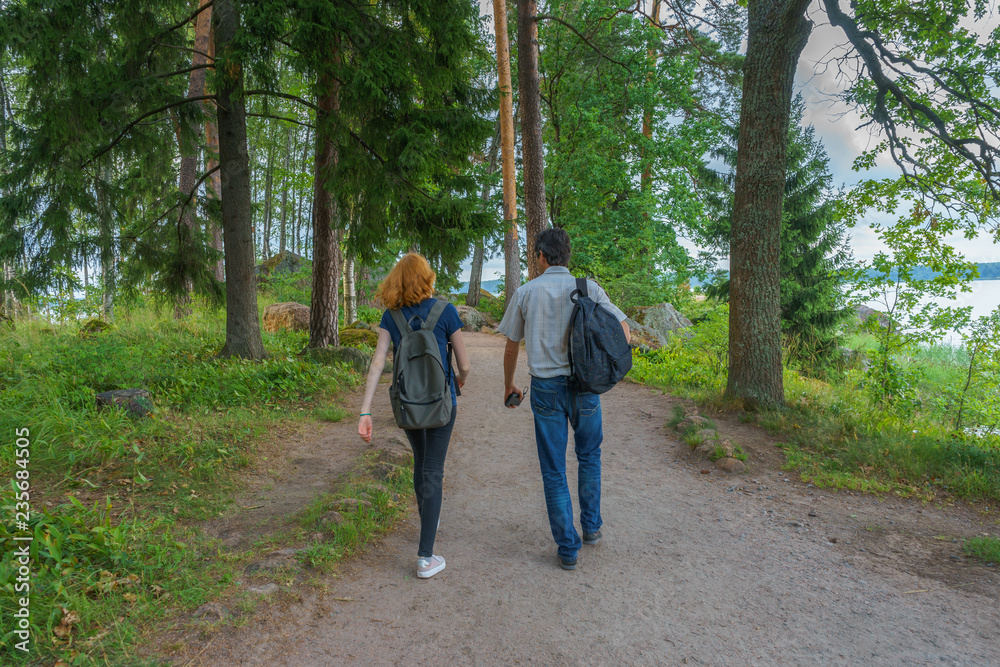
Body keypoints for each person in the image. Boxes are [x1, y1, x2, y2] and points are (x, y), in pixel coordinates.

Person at [496, 228, 630, 571]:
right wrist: (607, 368)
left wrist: (510, 383)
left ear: (541, 256)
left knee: (554, 469)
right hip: (586, 387)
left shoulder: (526, 292)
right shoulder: (588, 289)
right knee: (590, 457)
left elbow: (512, 343)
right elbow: (624, 330)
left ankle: (567, 549)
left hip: (545, 389)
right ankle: (592, 528)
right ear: (567, 255)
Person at [358, 252, 470, 579]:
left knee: (421, 461)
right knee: (433, 468)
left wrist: (365, 410)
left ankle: (427, 524)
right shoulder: (446, 311)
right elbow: (464, 363)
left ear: (397, 281)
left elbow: (379, 362)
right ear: (427, 278)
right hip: (441, 402)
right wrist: (461, 378)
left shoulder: (391, 317)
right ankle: (425, 556)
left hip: (407, 405)